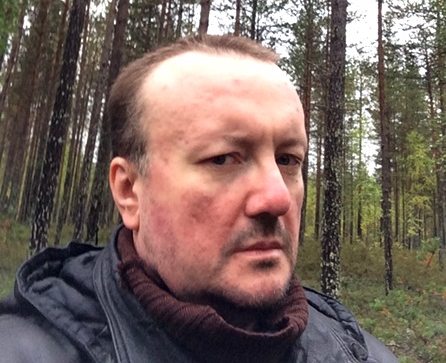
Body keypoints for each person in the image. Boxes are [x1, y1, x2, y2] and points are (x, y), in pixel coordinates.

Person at [0, 35, 397, 363]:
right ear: (129, 191)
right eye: (222, 159)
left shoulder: (359, 354)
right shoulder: (25, 350)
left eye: (288, 159)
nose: (277, 198)